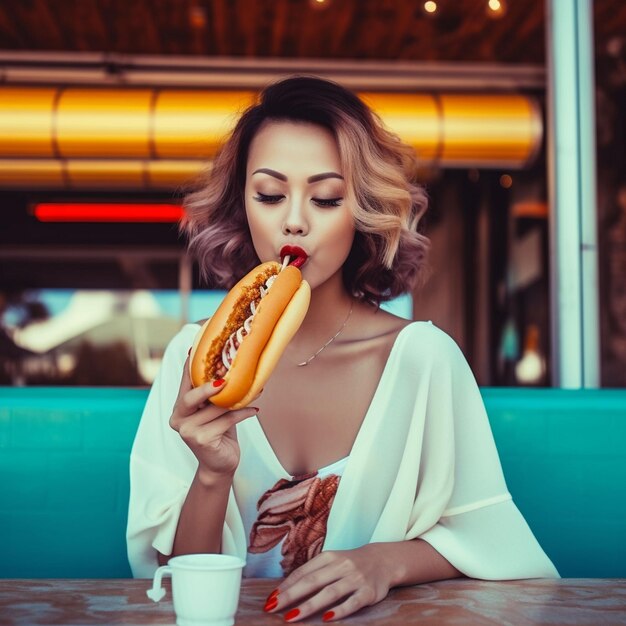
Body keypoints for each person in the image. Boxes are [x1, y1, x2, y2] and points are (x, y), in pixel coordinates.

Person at [127, 75, 559, 622]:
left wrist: (383, 563)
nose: (295, 220)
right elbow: (170, 585)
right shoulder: (191, 357)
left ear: (363, 211)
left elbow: (492, 540)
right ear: (243, 205)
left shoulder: (423, 358)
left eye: (327, 198)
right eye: (270, 194)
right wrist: (212, 475)